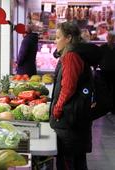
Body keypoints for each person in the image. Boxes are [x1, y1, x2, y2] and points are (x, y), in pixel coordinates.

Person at [50, 22, 93, 170]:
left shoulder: (71, 57)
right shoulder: (75, 54)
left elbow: (68, 87)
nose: (55, 41)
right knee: (78, 162)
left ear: (68, 38)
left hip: (69, 121)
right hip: (76, 119)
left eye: (57, 37)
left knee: (68, 162)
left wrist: (57, 108)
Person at [99, 30, 115, 114]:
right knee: (106, 91)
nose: (111, 39)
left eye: (113, 38)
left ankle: (112, 108)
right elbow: (97, 59)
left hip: (113, 72)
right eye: (110, 37)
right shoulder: (103, 48)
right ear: (107, 38)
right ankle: (107, 108)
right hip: (104, 72)